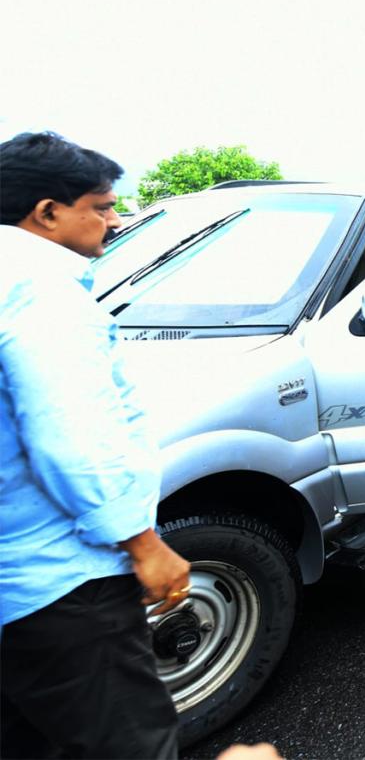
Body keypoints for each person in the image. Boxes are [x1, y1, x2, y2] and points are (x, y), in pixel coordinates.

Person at [1, 132, 190, 759]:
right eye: (102, 206)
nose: (114, 221)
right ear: (48, 212)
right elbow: (70, 434)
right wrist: (144, 543)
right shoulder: (43, 291)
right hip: (67, 584)